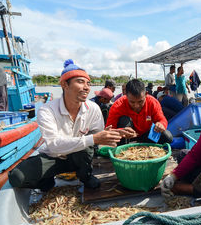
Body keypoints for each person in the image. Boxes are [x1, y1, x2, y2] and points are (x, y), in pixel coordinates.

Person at [8, 59, 126, 191]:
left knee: (89, 141)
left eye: (88, 83)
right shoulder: (47, 110)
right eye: (80, 82)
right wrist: (94, 138)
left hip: (79, 158)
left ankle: (85, 175)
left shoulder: (93, 108)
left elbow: (95, 139)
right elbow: (53, 146)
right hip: (54, 158)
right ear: (65, 84)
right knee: (16, 177)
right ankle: (46, 180)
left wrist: (110, 135)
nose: (87, 87)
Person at [106, 79, 173, 144]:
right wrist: (120, 132)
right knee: (124, 120)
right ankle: (123, 149)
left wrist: (161, 124)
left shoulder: (152, 102)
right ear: (126, 95)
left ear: (146, 94)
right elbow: (109, 130)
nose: (136, 106)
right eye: (132, 102)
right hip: (127, 137)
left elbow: (162, 119)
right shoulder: (117, 106)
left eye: (140, 101)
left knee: (167, 137)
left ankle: (149, 148)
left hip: (147, 136)